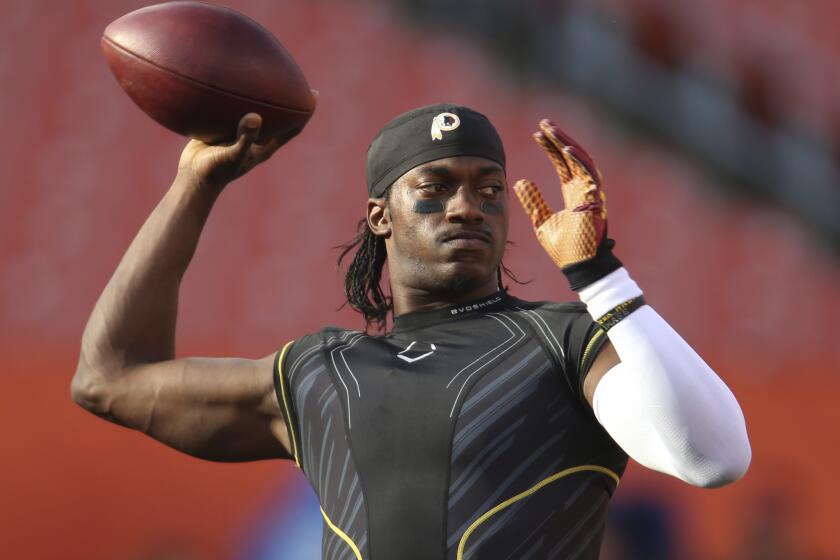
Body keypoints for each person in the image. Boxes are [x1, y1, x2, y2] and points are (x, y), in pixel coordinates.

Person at [72, 103, 751, 560]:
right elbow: (109, 378)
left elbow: (714, 457)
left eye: (490, 190)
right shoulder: (319, 371)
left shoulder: (564, 340)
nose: (467, 207)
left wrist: (599, 275)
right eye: (435, 186)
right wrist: (195, 182)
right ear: (379, 216)